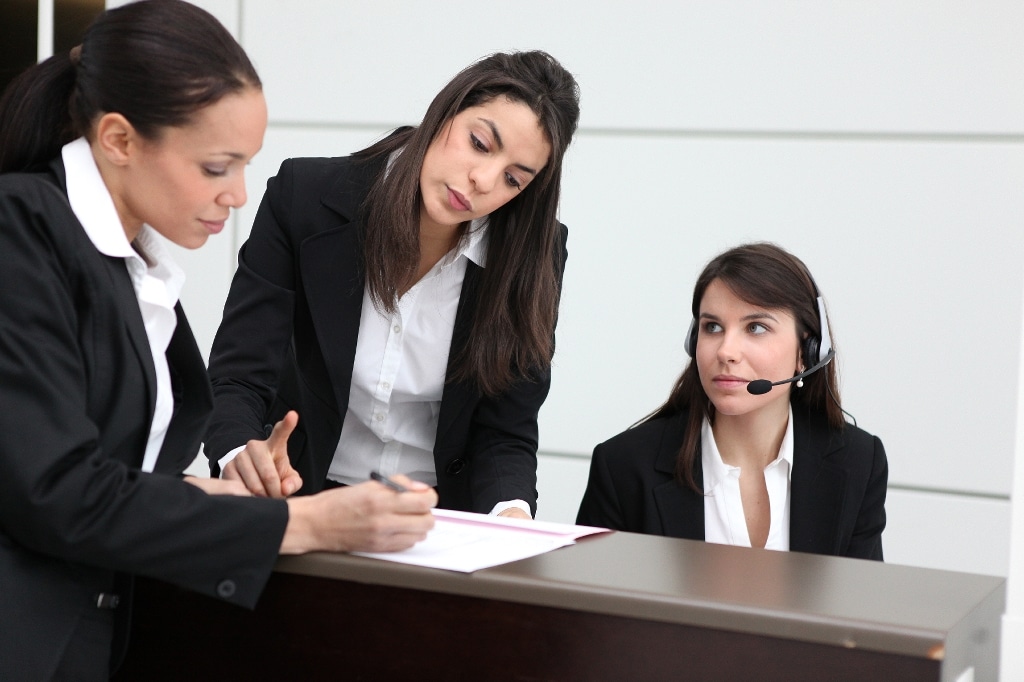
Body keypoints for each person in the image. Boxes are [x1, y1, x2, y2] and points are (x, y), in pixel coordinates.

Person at [0, 2, 435, 678]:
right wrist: (310, 525)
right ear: (118, 139)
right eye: (215, 167)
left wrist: (217, 498)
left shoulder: (128, 265)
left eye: (245, 166)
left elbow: (115, 478)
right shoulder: (20, 233)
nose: (237, 195)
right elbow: (56, 491)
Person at [204, 50, 581, 520]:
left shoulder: (532, 254)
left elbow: (506, 431)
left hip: (437, 518)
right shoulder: (305, 198)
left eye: (512, 179)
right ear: (446, 112)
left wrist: (511, 515)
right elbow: (239, 373)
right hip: (299, 492)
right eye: (480, 143)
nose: (482, 181)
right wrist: (242, 454)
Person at [576, 243, 887, 560]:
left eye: (756, 327)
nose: (726, 351)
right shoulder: (624, 467)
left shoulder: (858, 464)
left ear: (807, 352)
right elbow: (587, 606)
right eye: (712, 327)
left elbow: (861, 604)